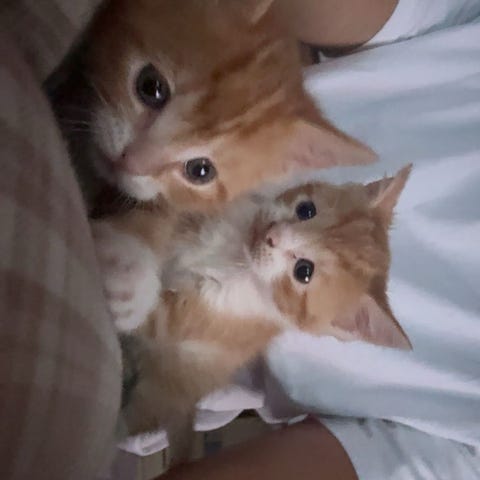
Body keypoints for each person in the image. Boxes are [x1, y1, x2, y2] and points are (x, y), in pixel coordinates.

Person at [160, 0, 480, 478]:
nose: (274, 237)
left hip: (157, 348)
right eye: (304, 211)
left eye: (303, 271)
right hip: (192, 111)